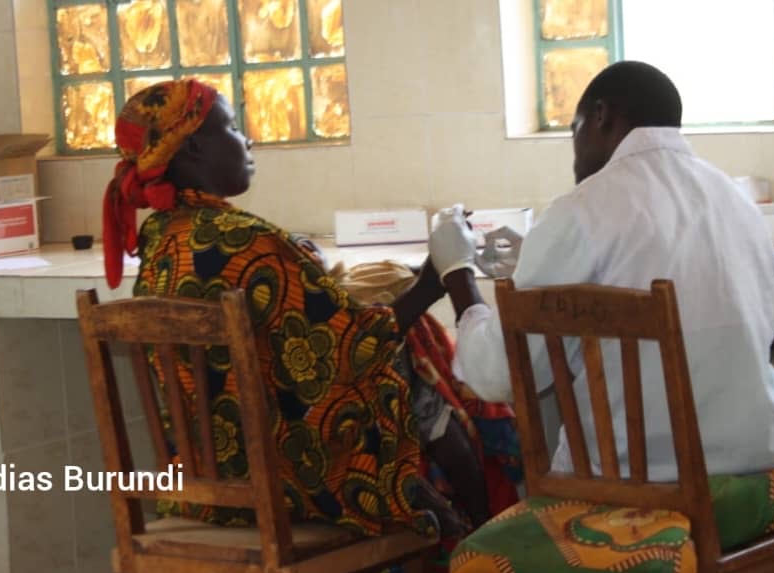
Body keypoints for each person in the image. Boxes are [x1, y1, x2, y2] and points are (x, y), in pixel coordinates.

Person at [102, 79, 519, 543]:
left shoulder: (161, 242)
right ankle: (478, 533)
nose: (248, 140)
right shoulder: (245, 243)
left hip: (207, 484)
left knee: (404, 363)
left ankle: (466, 523)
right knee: (412, 357)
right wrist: (437, 277)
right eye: (235, 128)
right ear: (194, 147)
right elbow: (349, 347)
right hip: (289, 485)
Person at [429, 61, 774, 481]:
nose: (574, 153)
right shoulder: (735, 200)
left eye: (574, 131)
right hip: (759, 467)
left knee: (481, 549)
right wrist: (535, 259)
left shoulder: (583, 209)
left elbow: (502, 375)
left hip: (637, 484)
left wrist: (458, 272)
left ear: (600, 115)